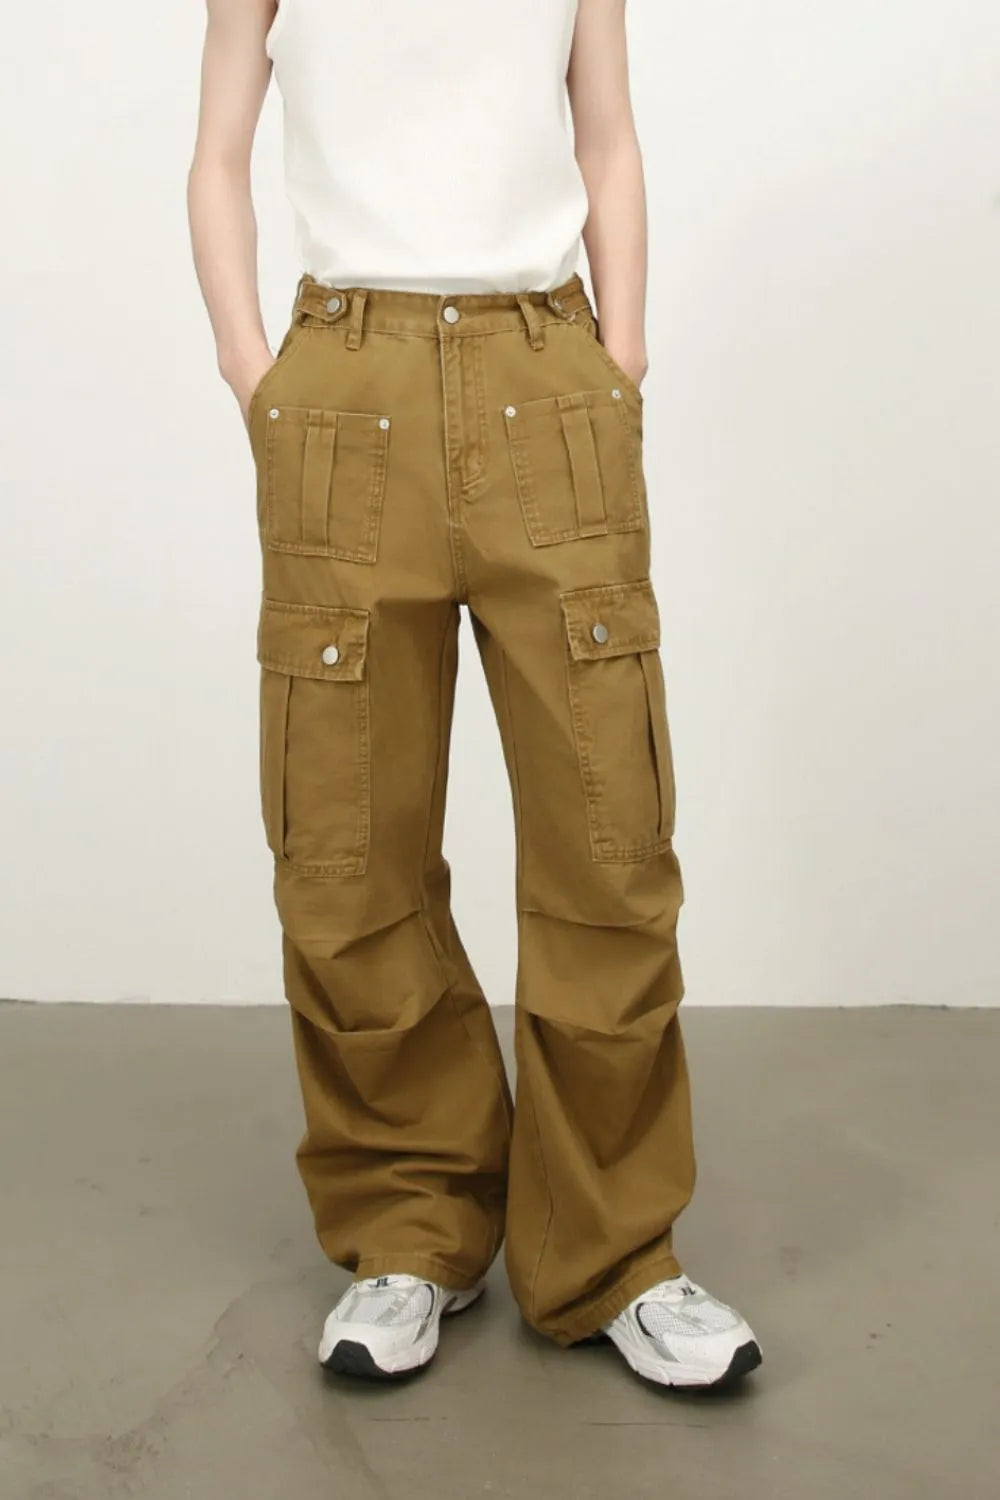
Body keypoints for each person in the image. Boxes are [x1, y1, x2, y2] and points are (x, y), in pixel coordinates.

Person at [188, 0, 762, 1390]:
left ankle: (616, 1256)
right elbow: (216, 154)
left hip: (545, 379)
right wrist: (256, 376)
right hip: (345, 393)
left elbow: (607, 137)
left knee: (610, 848)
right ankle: (410, 1228)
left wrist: (620, 359)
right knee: (345, 853)